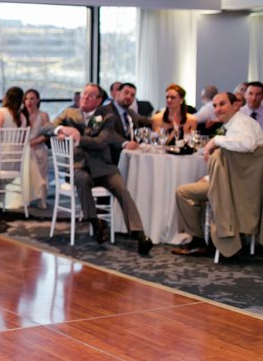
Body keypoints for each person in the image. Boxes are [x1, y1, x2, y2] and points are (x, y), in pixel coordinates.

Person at [42, 83, 154, 255]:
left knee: (122, 190)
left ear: (99, 100)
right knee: (82, 179)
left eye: (90, 95)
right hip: (78, 166)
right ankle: (95, 222)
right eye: (84, 94)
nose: (85, 97)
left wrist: (78, 139)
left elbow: (102, 141)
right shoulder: (69, 113)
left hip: (103, 166)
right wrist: (62, 128)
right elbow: (45, 127)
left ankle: (140, 234)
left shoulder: (107, 116)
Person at [173, 92, 263, 257]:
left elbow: (247, 144)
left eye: (222, 104)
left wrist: (215, 141)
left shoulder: (241, 124)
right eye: (214, 106)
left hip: (233, 187)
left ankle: (199, 241)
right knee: (198, 184)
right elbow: (234, 164)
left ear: (236, 105)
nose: (217, 109)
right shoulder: (239, 124)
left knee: (182, 192)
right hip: (239, 183)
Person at [98, 82, 152, 164]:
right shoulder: (104, 111)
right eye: (126, 93)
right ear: (118, 93)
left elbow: (145, 122)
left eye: (132, 95)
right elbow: (107, 132)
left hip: (131, 158)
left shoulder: (131, 113)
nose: (129, 96)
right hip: (110, 160)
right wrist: (124, 143)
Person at [24, 88, 50, 207]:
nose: (29, 101)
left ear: (38, 100)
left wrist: (33, 143)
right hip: (25, 150)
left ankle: (42, 200)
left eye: (32, 98)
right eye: (26, 98)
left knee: (42, 173)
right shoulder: (21, 115)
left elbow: (47, 134)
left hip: (39, 148)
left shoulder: (43, 115)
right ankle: (27, 198)